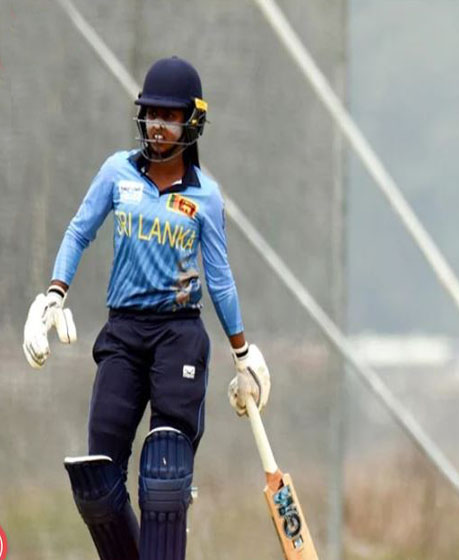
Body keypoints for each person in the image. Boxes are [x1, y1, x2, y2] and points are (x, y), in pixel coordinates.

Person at [21, 56, 270, 560]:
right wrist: (54, 294)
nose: (157, 125)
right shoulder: (118, 172)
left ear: (192, 122)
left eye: (169, 116)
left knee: (164, 476)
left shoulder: (205, 197)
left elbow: (219, 280)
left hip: (178, 335)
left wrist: (242, 355)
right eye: (152, 113)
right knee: (97, 482)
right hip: (124, 332)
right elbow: (79, 230)